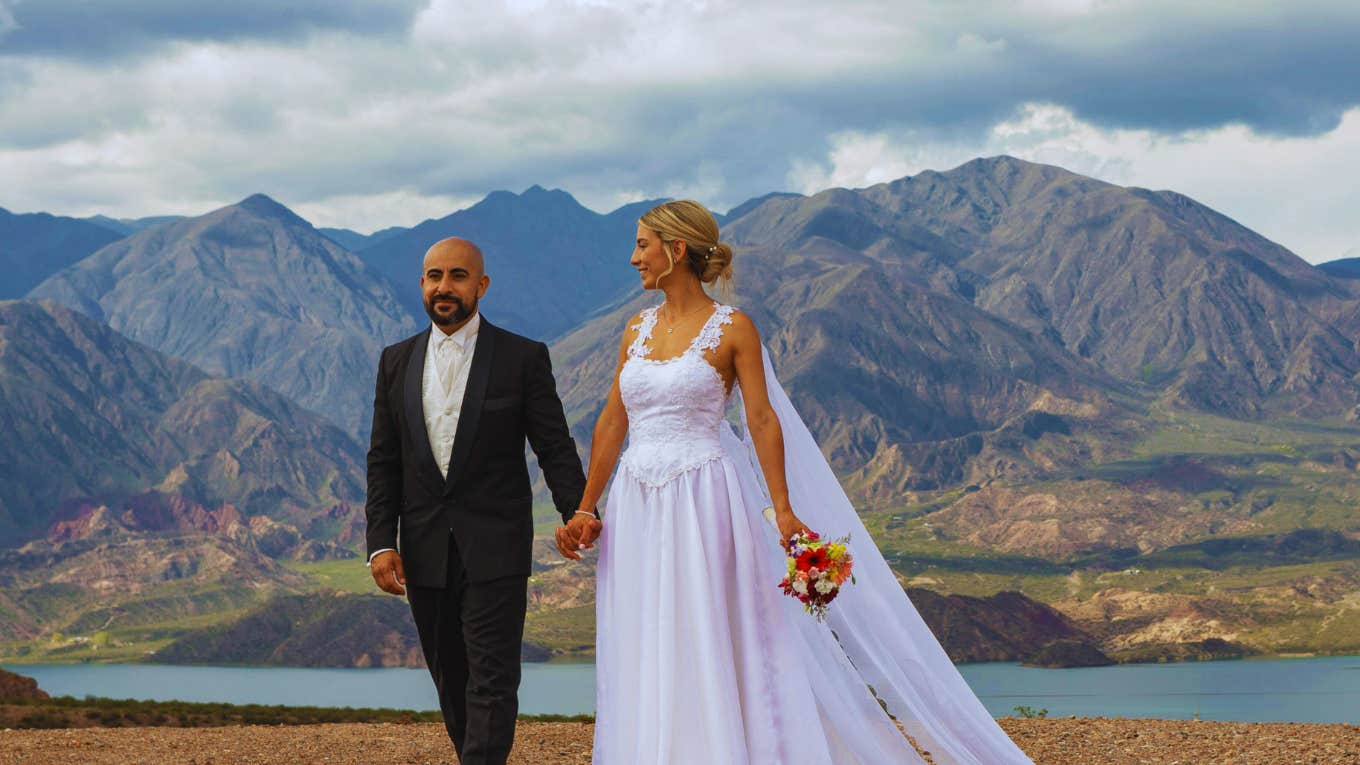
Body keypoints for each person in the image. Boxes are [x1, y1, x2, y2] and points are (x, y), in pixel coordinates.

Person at [556, 201, 1034, 763]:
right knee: (646, 633)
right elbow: (614, 420)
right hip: (638, 500)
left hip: (706, 497)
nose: (633, 257)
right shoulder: (634, 329)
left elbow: (760, 419)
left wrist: (782, 510)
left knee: (709, 630)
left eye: (642, 244)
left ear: (676, 249)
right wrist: (588, 508)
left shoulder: (732, 328)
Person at [365, 237, 598, 765]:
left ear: (482, 285)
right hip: (423, 550)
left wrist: (577, 510)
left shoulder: (521, 357)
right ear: (422, 284)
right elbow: (383, 461)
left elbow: (553, 445)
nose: (443, 287)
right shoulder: (394, 362)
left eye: (457, 276)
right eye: (432, 276)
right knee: (451, 678)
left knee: (492, 680)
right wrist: (381, 542)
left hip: (496, 547)